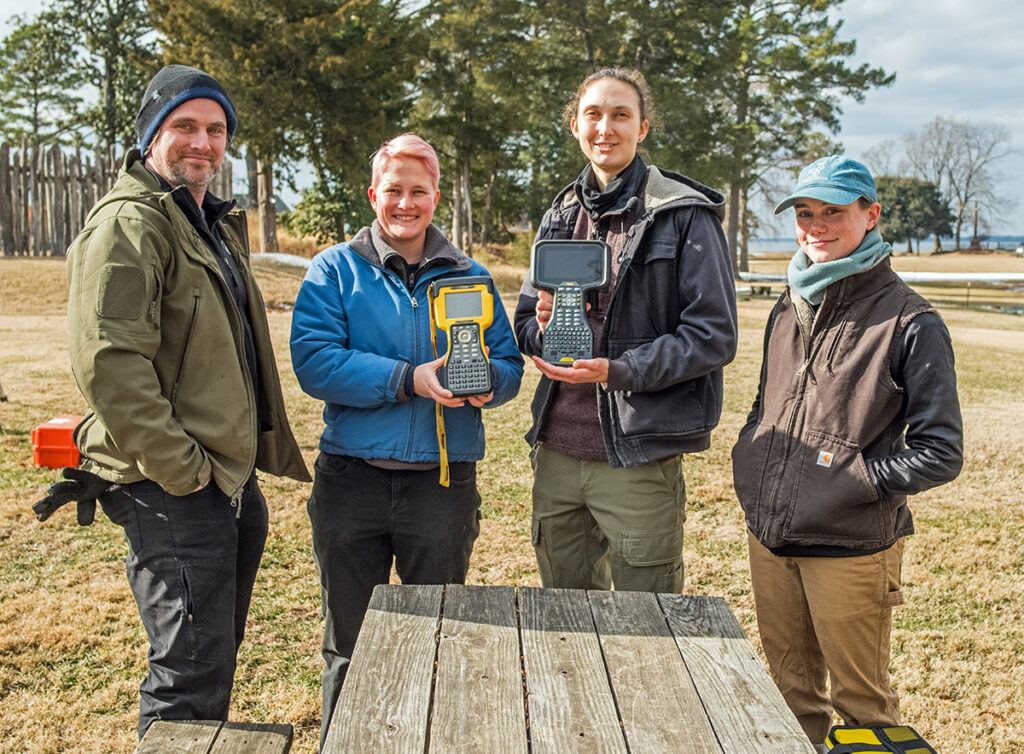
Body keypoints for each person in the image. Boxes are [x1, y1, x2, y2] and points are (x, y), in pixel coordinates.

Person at [57, 64, 310, 737]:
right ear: (149, 135)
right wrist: (184, 470)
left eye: (216, 129)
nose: (203, 142)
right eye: (185, 126)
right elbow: (110, 364)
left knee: (212, 652)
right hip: (173, 486)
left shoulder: (206, 221)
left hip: (225, 478)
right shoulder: (127, 226)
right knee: (187, 671)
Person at [289, 133, 524, 746]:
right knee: (348, 639)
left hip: (441, 487)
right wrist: (408, 380)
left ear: (435, 197)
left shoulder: (470, 275)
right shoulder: (333, 270)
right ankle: (344, 742)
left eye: (418, 191)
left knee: (438, 636)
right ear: (374, 194)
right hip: (351, 481)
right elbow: (315, 361)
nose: (405, 203)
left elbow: (508, 367)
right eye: (393, 190)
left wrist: (487, 385)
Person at [731, 156, 963, 749]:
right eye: (806, 213)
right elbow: (767, 405)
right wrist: (750, 458)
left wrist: (851, 479)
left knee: (863, 711)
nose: (816, 225)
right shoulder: (788, 305)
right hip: (772, 537)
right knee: (789, 696)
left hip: (851, 546)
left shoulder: (911, 321)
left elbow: (940, 452)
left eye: (834, 211)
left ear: (871, 214)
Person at [514, 68, 738, 594]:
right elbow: (524, 322)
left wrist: (618, 371)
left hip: (637, 457)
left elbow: (713, 334)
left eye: (621, 115)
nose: (605, 127)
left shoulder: (683, 215)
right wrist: (544, 328)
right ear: (574, 125)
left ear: (643, 129)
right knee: (564, 616)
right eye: (593, 114)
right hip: (557, 456)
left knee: (647, 626)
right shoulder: (558, 216)